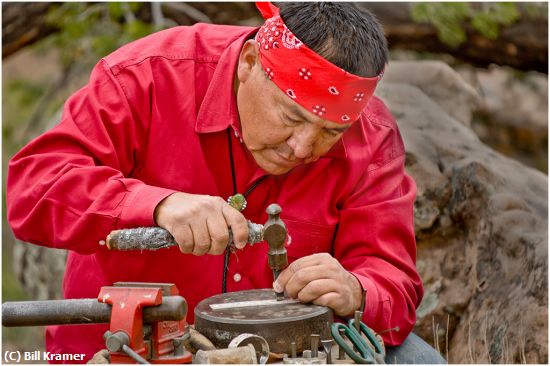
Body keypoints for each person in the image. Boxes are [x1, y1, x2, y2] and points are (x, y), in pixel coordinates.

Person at [7, 2, 445, 364]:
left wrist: (358, 290)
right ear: (250, 63)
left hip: (287, 352)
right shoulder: (149, 75)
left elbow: (395, 283)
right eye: (291, 117)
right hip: (131, 346)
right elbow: (33, 189)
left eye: (330, 132)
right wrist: (153, 205)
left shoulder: (372, 135)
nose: (303, 147)